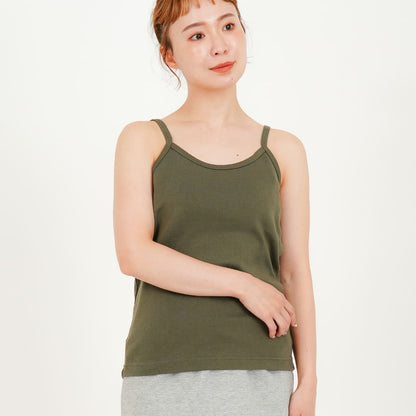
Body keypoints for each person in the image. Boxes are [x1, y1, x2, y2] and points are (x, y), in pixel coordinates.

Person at [113, 0, 317, 415]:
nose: (220, 46)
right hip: (163, 371)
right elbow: (134, 254)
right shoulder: (144, 140)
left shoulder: (284, 150)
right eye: (197, 35)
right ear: (170, 56)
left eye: (228, 26)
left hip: (261, 369)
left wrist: (308, 380)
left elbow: (294, 270)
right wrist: (244, 285)